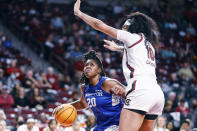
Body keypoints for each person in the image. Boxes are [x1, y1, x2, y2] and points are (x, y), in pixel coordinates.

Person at [74, 0, 165, 131]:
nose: (123, 26)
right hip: (156, 94)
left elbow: (99, 25)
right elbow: (135, 54)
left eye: (126, 25)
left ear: (133, 25)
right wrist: (119, 48)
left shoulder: (132, 37)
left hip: (140, 91)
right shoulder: (149, 44)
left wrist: (80, 14)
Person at [55, 50, 125, 131]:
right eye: (86, 65)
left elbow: (131, 94)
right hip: (101, 126)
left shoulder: (108, 83)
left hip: (118, 124)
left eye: (92, 65)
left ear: (99, 70)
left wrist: (123, 94)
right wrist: (62, 108)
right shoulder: (84, 87)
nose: (88, 67)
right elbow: (82, 104)